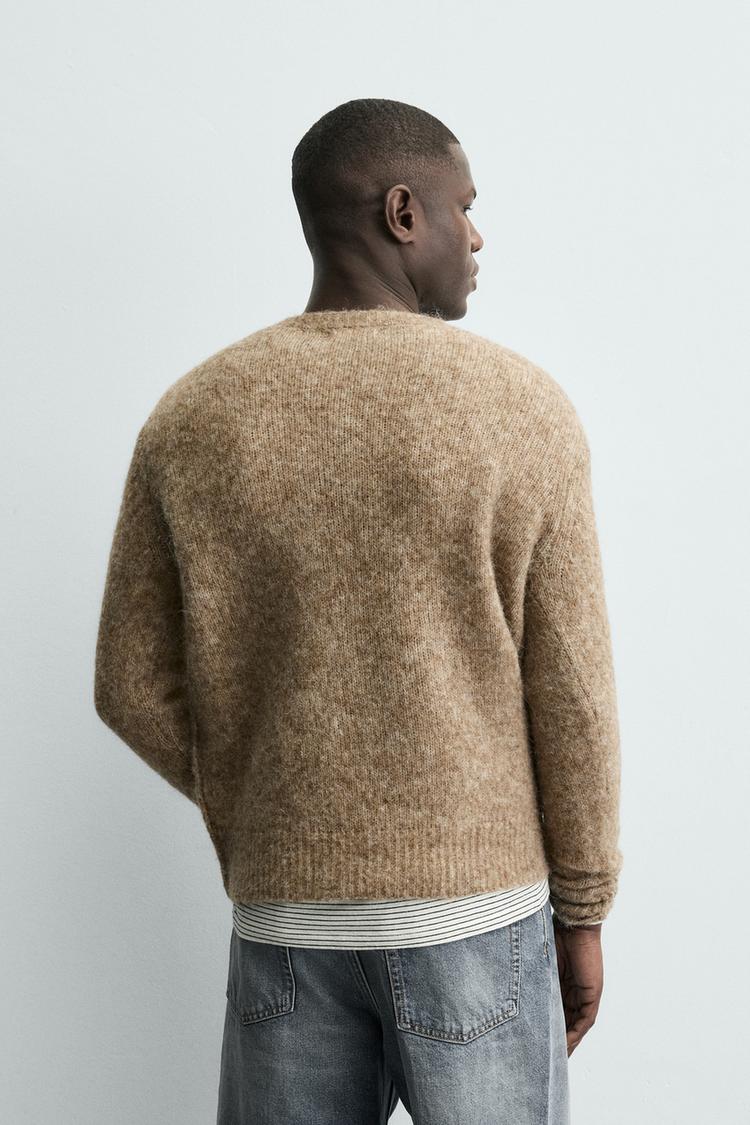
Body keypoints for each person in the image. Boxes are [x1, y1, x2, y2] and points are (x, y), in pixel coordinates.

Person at [94, 98, 623, 1124]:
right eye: (464, 207)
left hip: (288, 921)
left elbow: (130, 684)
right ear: (402, 212)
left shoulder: (195, 416)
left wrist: (275, 803)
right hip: (477, 919)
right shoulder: (521, 408)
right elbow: (574, 695)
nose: (477, 236)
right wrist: (586, 906)